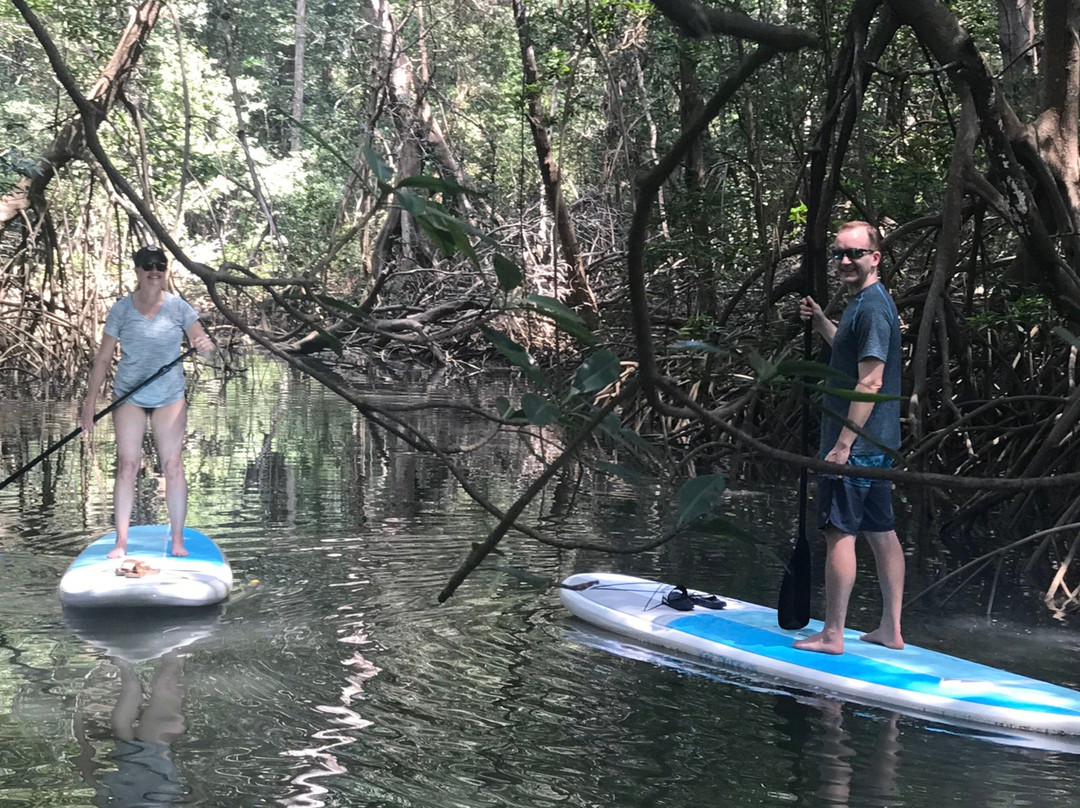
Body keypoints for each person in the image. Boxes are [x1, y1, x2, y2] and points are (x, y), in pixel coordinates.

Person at [793, 221, 905, 655]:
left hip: (856, 444)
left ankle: (833, 634)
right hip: (876, 445)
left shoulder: (873, 307)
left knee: (839, 532)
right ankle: (890, 630)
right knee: (882, 532)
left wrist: (842, 445)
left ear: (875, 258)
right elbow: (849, 351)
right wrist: (822, 320)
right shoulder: (865, 305)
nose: (845, 261)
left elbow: (870, 382)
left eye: (855, 253)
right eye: (839, 253)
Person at [80, 245, 214, 558]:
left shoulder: (179, 307)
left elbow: (202, 343)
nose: (154, 271)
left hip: (169, 395)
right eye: (147, 265)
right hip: (130, 395)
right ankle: (121, 542)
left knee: (173, 466)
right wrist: (89, 402)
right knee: (127, 464)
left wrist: (204, 345)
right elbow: (102, 360)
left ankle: (177, 540)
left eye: (160, 265)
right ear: (137, 271)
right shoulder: (121, 309)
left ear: (166, 271)